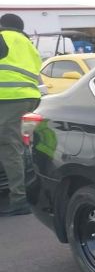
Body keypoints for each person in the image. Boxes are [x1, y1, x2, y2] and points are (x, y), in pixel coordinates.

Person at [0, 13, 41, 217]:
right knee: (23, 145)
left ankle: (19, 199)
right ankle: (32, 190)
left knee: (9, 146)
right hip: (30, 98)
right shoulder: (27, 43)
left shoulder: (3, 37)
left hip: (9, 98)